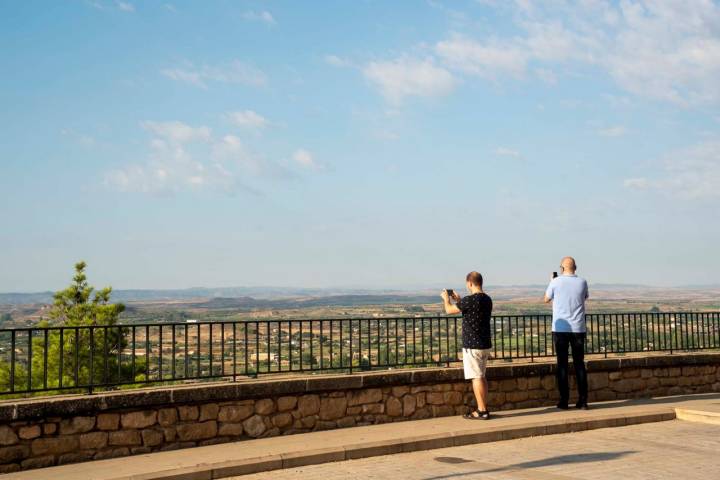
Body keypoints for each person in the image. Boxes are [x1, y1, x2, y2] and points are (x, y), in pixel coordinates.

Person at [441, 271, 493, 420]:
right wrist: (459, 300)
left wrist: (446, 299)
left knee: (476, 377)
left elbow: (449, 310)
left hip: (472, 345)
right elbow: (471, 310)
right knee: (481, 376)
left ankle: (482, 410)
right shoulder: (487, 299)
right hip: (484, 343)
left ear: (470, 283)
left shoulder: (469, 300)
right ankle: (483, 407)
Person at [544, 256, 589, 410]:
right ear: (575, 267)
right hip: (578, 329)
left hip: (561, 329)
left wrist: (551, 281)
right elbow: (585, 297)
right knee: (579, 365)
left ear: (562, 268)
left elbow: (546, 299)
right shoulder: (583, 282)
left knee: (562, 365)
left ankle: (564, 401)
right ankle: (583, 401)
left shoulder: (555, 282)